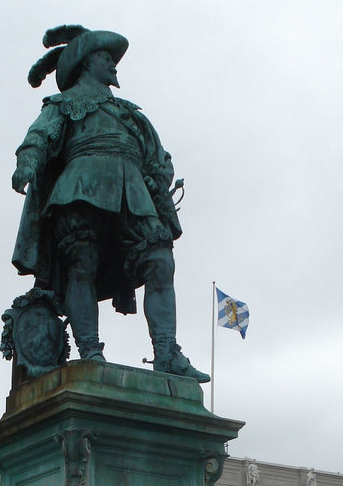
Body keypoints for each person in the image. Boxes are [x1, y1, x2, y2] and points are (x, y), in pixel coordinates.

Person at [11, 25, 209, 383]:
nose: (114, 65)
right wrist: (28, 160)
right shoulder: (64, 104)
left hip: (132, 191)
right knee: (81, 266)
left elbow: (155, 156)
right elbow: (40, 133)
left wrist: (159, 177)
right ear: (87, 64)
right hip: (80, 187)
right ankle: (90, 353)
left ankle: (166, 352)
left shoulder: (130, 114)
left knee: (160, 261)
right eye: (107, 58)